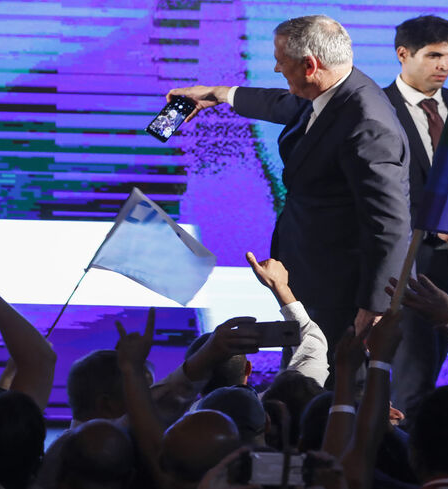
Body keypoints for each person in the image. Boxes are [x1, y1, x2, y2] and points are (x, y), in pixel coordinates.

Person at [168, 15, 411, 373]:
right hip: (314, 273)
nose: (276, 66)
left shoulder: (368, 125)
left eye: (282, 60)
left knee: (325, 387)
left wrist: (376, 308)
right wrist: (218, 95)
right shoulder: (337, 90)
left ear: (311, 65)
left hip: (340, 294)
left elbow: (390, 224)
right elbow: (290, 105)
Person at [383, 14, 448, 426]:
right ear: (403, 54)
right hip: (406, 268)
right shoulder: (377, 109)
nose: (444, 65)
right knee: (412, 381)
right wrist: (428, 218)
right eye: (434, 55)